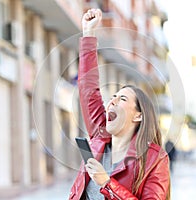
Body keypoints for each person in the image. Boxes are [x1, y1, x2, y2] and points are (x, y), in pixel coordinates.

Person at [69, 8, 170, 200]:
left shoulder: (154, 159)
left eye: (122, 99)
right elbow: (88, 89)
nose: (112, 101)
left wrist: (106, 183)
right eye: (113, 97)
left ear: (138, 115)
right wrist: (88, 34)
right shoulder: (99, 137)